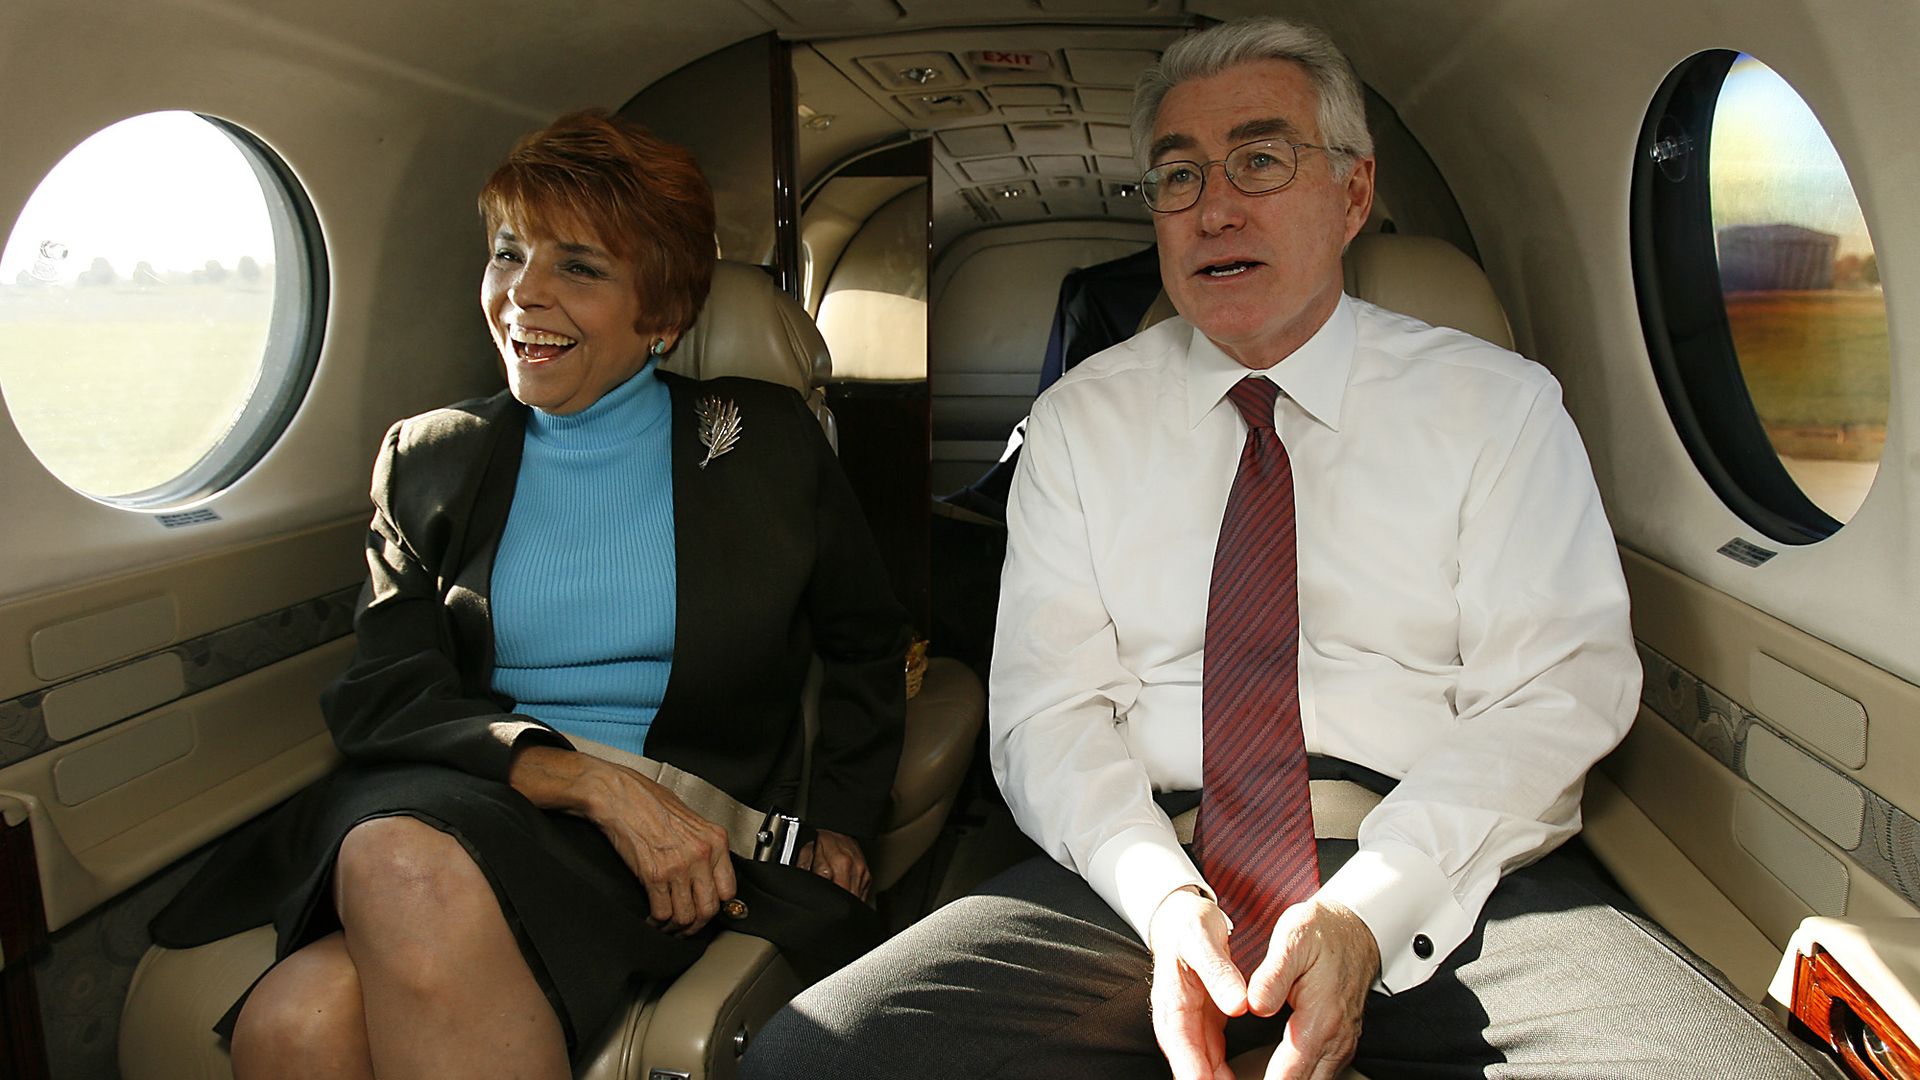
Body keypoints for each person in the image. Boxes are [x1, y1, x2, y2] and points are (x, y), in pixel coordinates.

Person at [745, 17, 1840, 1080]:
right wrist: (1166, 904)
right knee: (811, 1056)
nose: (1213, 208)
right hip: (1149, 871)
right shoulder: (1082, 424)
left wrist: (1366, 916)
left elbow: (1555, 693)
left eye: (1260, 161)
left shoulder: (1497, 408)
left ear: (1352, 193)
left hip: (1448, 871)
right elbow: (1047, 714)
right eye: (1179, 177)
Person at [147, 110, 910, 1079]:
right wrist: (589, 784)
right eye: (510, 254)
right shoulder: (428, 459)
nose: (523, 296)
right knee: (378, 886)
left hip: (671, 840)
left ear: (663, 311)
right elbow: (386, 695)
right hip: (463, 797)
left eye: (580, 268)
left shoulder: (762, 442)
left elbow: (864, 641)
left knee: (297, 1021)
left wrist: (840, 817)